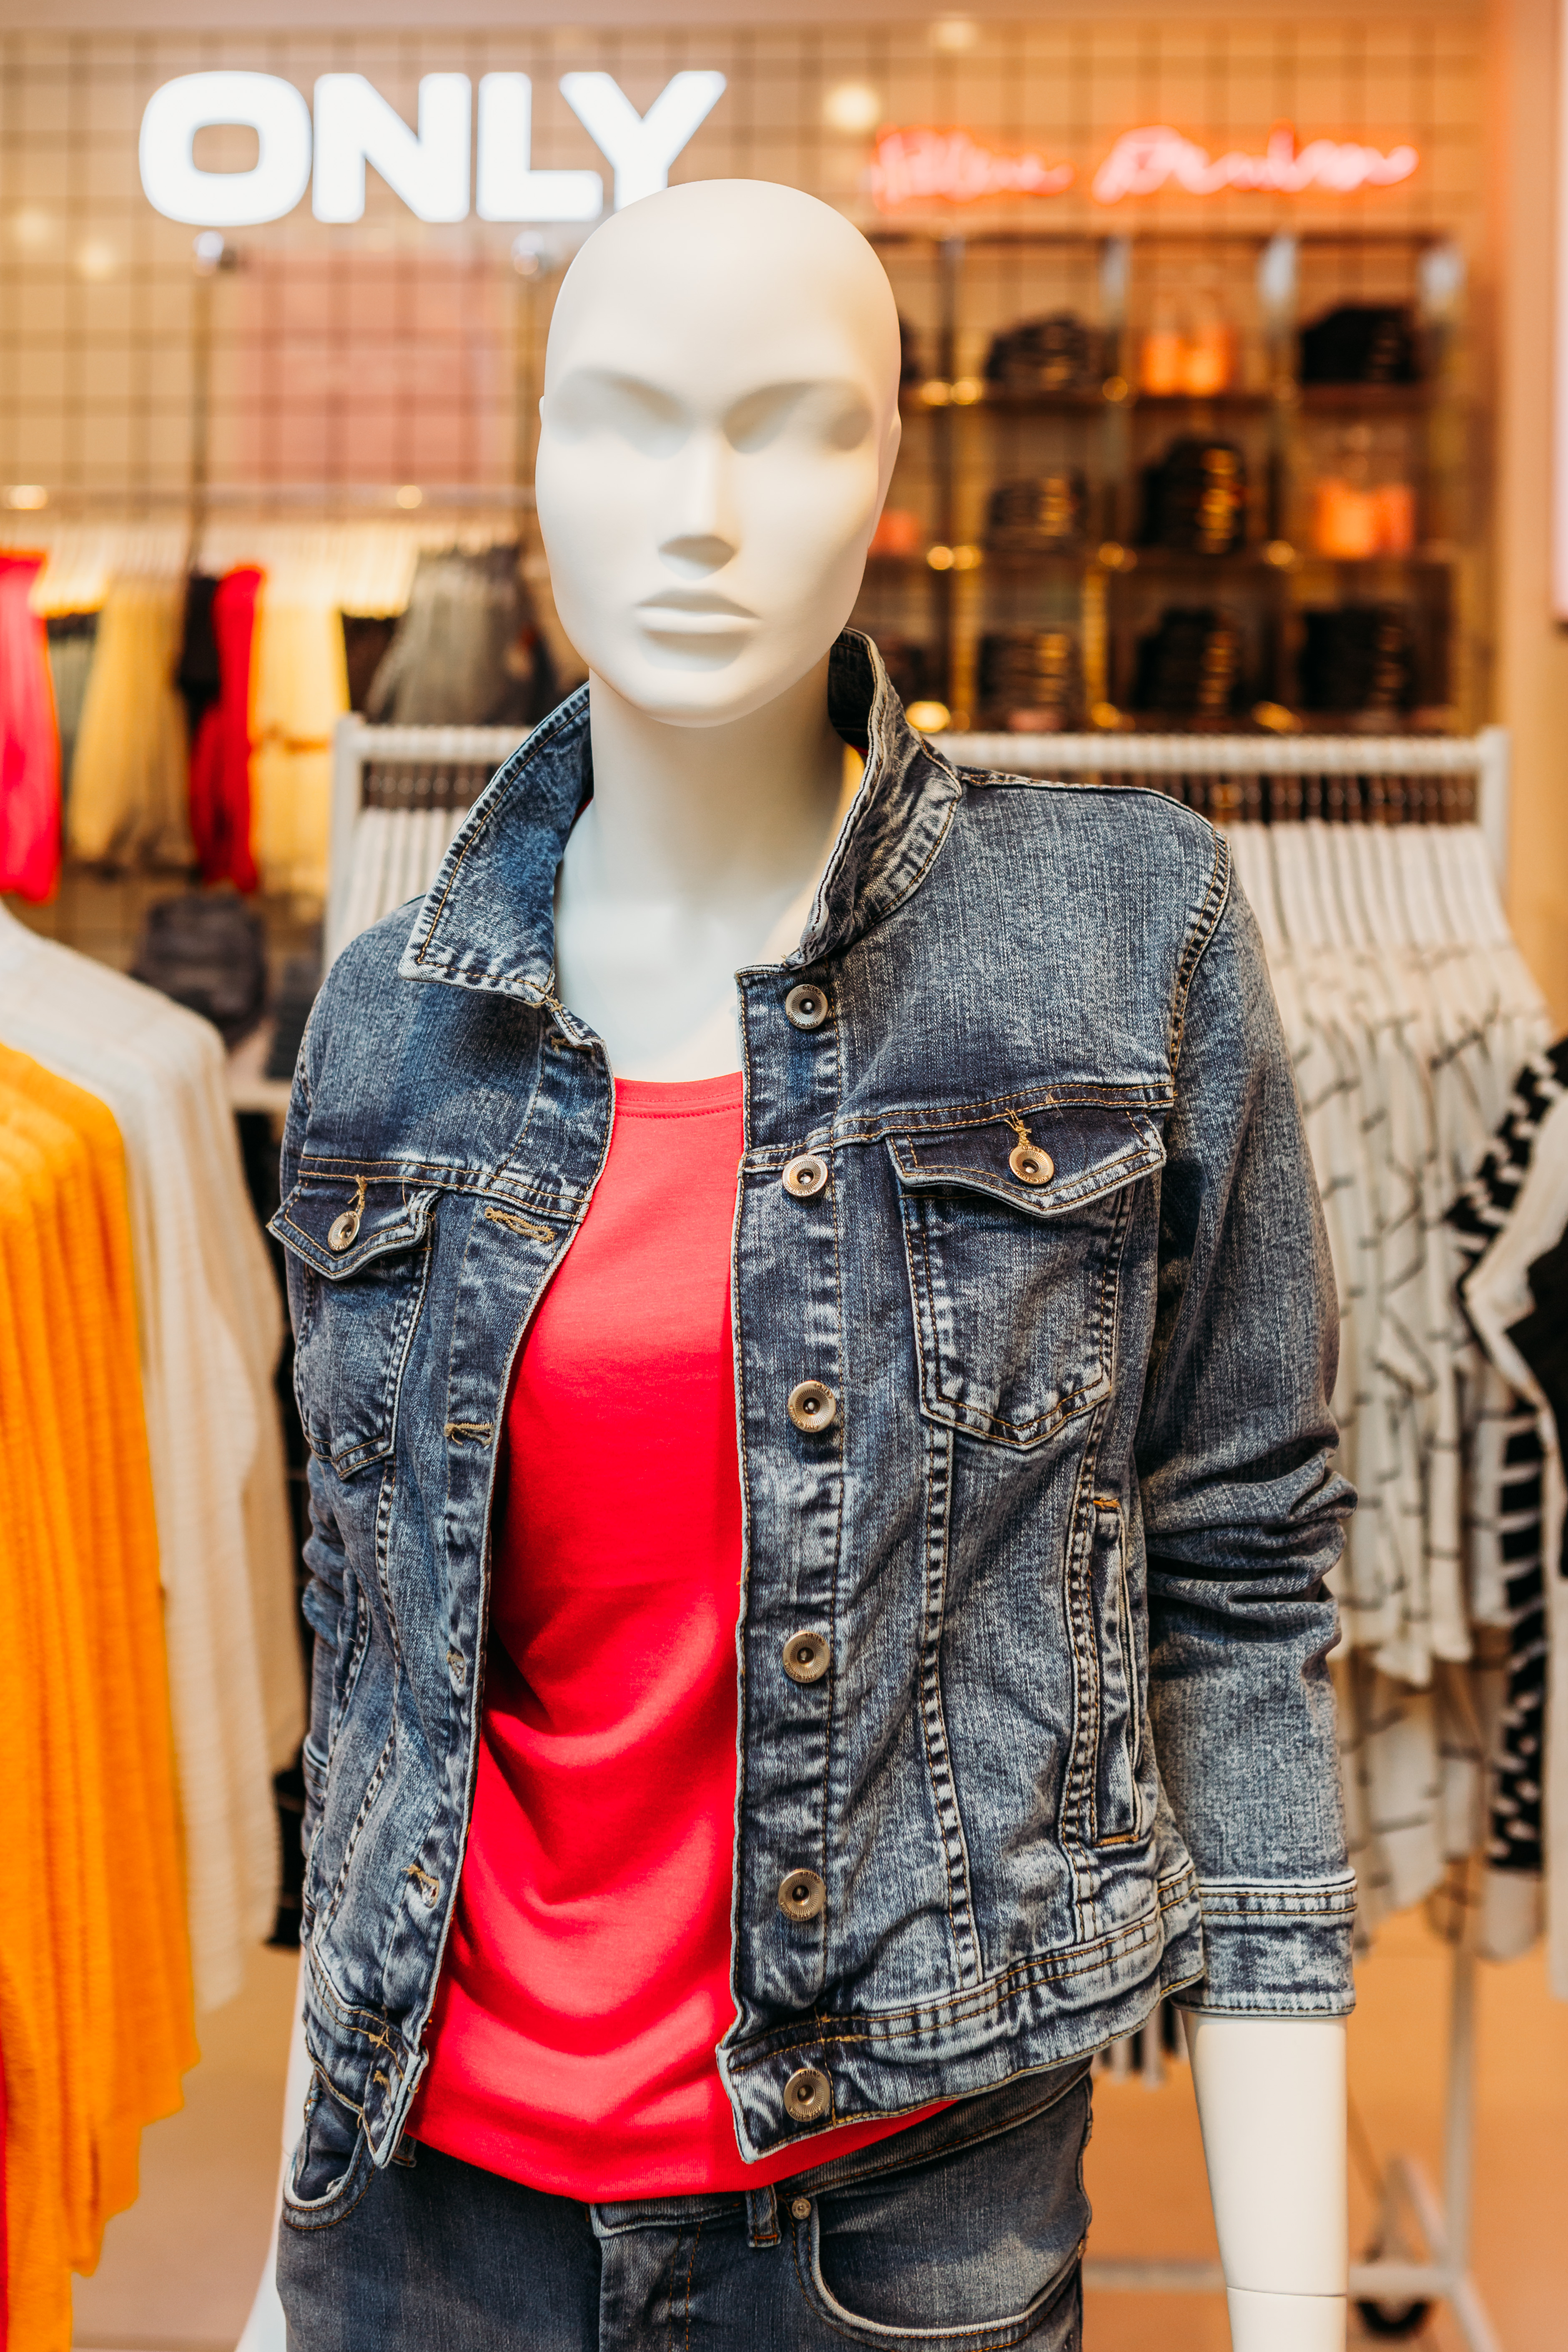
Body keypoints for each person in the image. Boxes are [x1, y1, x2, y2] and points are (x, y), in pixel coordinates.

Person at [272, 181, 1355, 2351]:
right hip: (417, 2227)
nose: (699, 510)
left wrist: (1288, 2300)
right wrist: (271, 2274)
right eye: (625, 419)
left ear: (887, 474)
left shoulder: (1115, 934)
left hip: (881, 2240)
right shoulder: (390, 1015)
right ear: (537, 464)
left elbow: (1243, 1594)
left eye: (788, 426)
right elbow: (380, 1683)